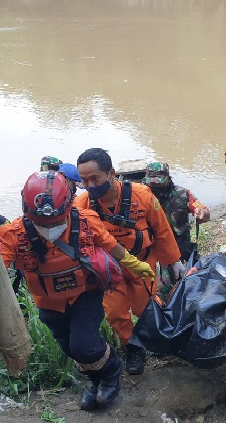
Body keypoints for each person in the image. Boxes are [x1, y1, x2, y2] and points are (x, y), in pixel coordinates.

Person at [0, 171, 157, 411]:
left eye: (56, 222)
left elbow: (111, 246)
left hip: (84, 294)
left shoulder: (86, 221)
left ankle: (111, 369)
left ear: (69, 205)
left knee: (85, 346)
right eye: (42, 224)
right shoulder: (13, 234)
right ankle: (95, 381)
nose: (50, 229)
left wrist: (135, 264)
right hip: (48, 302)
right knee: (70, 348)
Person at [74, 148, 183, 375]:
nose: (90, 185)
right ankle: (132, 347)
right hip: (108, 271)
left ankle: (154, 338)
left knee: (146, 307)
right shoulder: (82, 205)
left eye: (95, 178)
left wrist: (173, 261)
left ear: (111, 173)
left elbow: (161, 230)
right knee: (115, 312)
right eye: (84, 180)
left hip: (142, 263)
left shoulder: (142, 196)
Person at [142, 161, 210, 268]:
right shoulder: (139, 195)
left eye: (159, 183)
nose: (156, 187)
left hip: (178, 245)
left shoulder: (182, 194)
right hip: (150, 247)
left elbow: (203, 211)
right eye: (152, 183)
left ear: (168, 179)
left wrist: (201, 214)